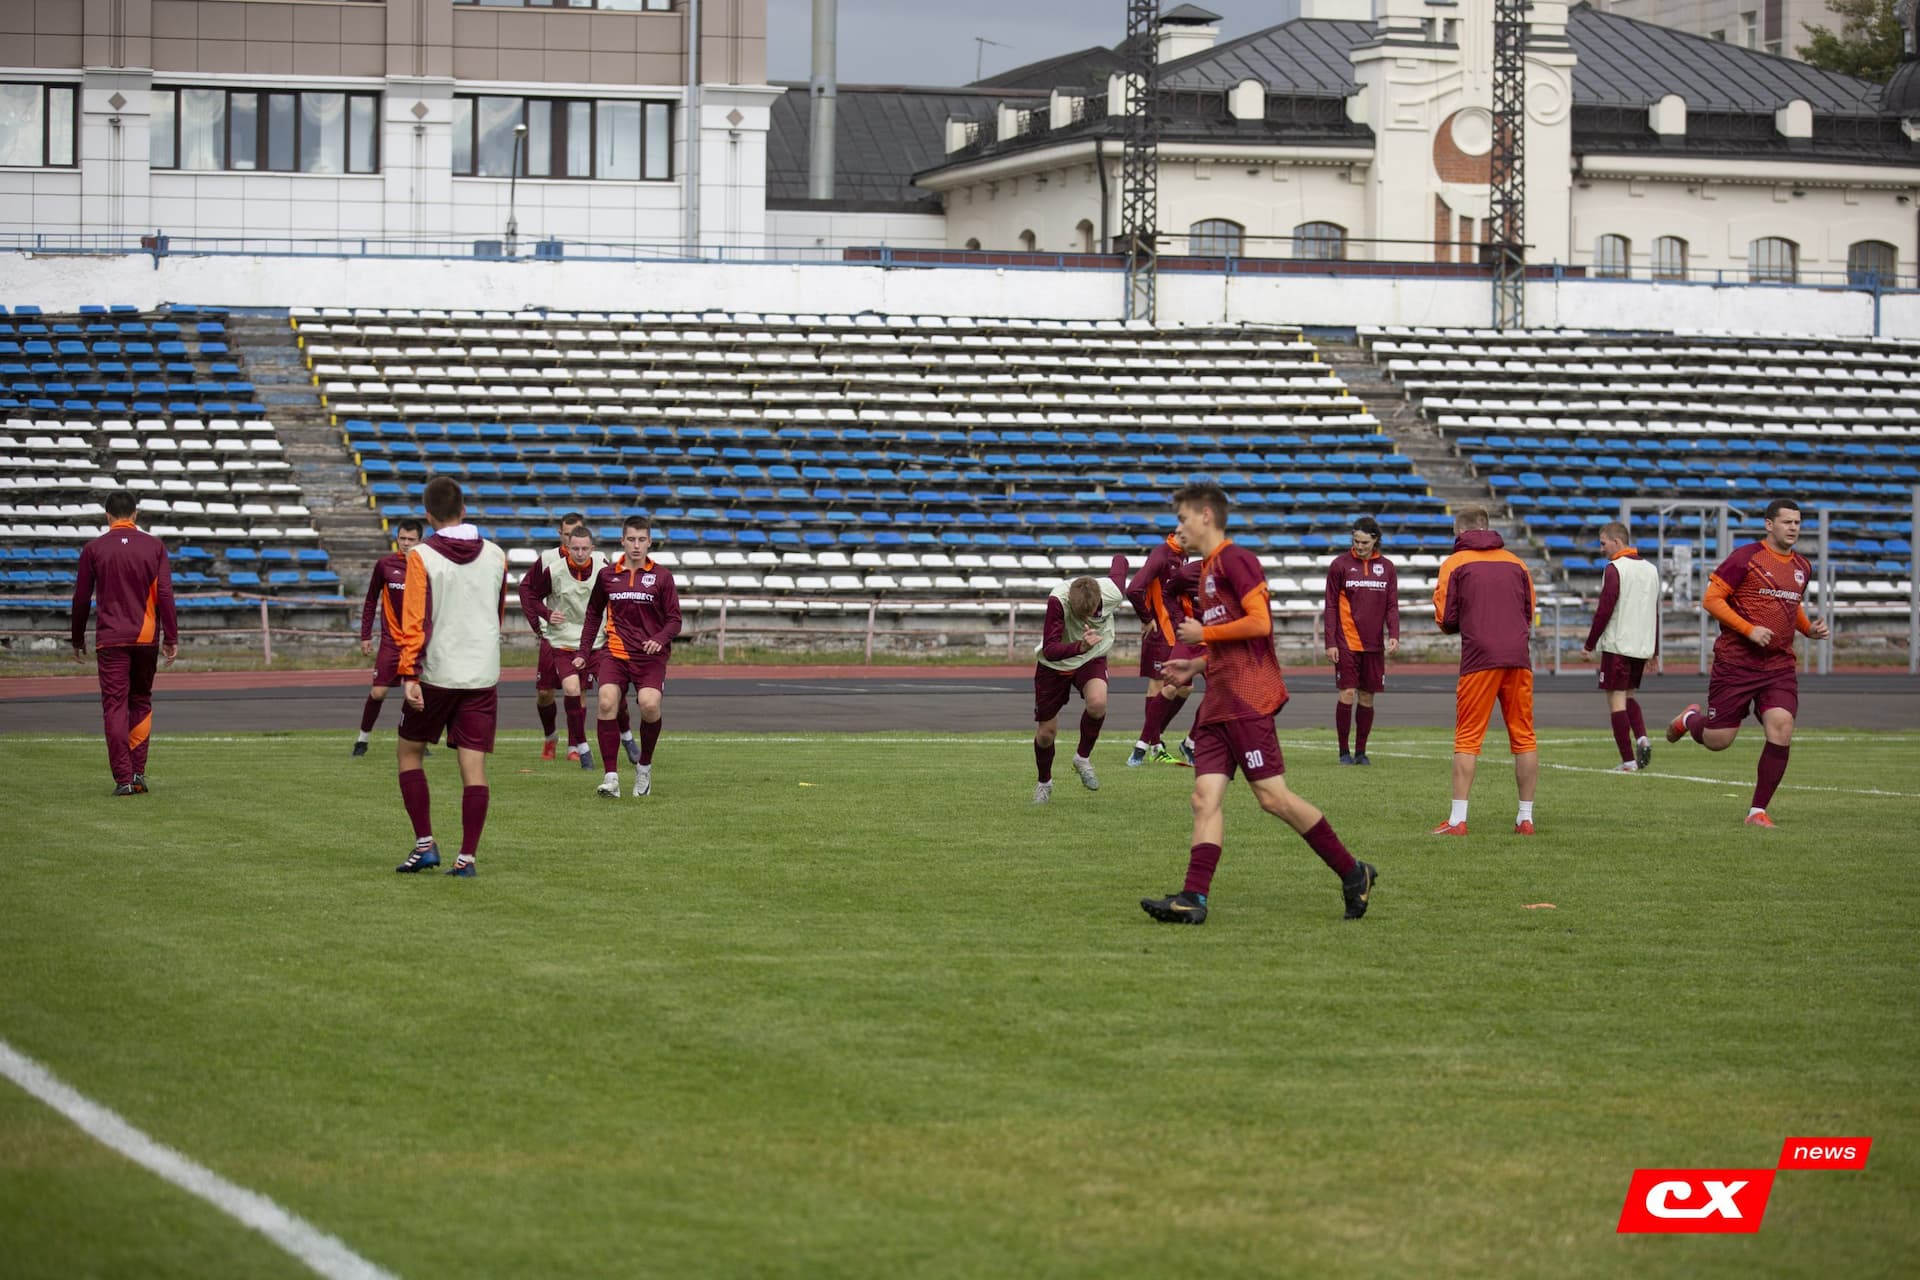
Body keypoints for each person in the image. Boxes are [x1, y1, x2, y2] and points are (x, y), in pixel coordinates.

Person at [1140, 482, 1378, 925]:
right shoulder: (1210, 569)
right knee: (1203, 797)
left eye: (1183, 518)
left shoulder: (1235, 560)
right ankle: (1194, 898)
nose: (1178, 527)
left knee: (1273, 798)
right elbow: (1231, 642)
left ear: (1206, 516)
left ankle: (1353, 872)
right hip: (1217, 702)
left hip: (1247, 698)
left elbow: (1260, 622)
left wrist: (1203, 636)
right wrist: (1196, 666)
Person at [1664, 498, 1829, 827]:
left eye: (1797, 522)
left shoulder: (1802, 566)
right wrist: (1749, 629)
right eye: (1787, 522)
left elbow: (1789, 604)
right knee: (1718, 740)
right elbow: (1711, 599)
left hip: (1779, 665)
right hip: (1736, 663)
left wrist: (1807, 628)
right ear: (1770, 525)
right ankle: (1690, 719)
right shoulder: (1746, 558)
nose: (1793, 527)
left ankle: (1757, 811)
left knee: (1781, 727)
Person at [392, 477, 509, 877]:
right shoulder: (496, 554)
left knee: (409, 752)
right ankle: (467, 858)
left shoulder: (421, 556)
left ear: (428, 515)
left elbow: (415, 619)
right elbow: (496, 612)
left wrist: (408, 671)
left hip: (436, 671)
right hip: (482, 671)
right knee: (473, 767)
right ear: (464, 509)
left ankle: (425, 843)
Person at [1430, 505, 1539, 836]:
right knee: (1524, 736)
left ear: (1461, 531)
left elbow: (1446, 618)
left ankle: (1457, 819)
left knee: (1468, 736)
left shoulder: (1455, 563)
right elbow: (1529, 610)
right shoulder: (1517, 563)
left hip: (1480, 657)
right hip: (1518, 656)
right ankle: (1525, 818)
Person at [70, 490, 178, 795]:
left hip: (111, 639)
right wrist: (171, 636)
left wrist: (77, 637)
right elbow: (165, 595)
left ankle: (122, 779)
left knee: (115, 705)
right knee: (141, 700)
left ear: (107, 516)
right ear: (135, 515)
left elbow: (80, 599)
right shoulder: (155, 546)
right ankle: (138, 773)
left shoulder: (93, 549)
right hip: (146, 638)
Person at [517, 514, 635, 769]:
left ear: (590, 545)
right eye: (570, 537)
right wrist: (539, 621)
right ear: (563, 536)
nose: (577, 545)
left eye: (582, 542)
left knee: (581, 690)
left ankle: (576, 746)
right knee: (546, 692)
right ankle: (551, 737)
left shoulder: (600, 562)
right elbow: (527, 590)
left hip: (591, 638)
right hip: (556, 637)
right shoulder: (549, 561)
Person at [577, 516, 681, 799]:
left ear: (649, 542)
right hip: (616, 653)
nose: (636, 545)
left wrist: (658, 640)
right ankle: (611, 778)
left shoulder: (662, 577)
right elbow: (592, 614)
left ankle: (644, 767)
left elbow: (674, 621)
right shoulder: (607, 575)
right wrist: (584, 651)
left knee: (649, 706)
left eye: (642, 540)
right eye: (631, 539)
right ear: (622, 541)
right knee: (607, 702)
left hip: (650, 658)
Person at [1032, 554, 1129, 803]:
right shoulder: (1057, 600)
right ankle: (1045, 783)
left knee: (1097, 704)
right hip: (1056, 664)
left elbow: (1121, 560)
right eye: (1079, 614)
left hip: (1092, 656)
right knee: (1046, 734)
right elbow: (1051, 649)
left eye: (1092, 614)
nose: (1087, 618)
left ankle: (1082, 758)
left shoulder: (1113, 592)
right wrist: (1079, 647)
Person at [1581, 521, 1661, 773]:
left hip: (1618, 644)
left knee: (1615, 701)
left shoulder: (1615, 568)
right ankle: (1642, 737)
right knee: (1629, 696)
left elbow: (1605, 609)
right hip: (1641, 644)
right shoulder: (1651, 569)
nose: (1602, 548)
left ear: (1617, 541)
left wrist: (1589, 644)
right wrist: (1655, 649)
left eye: (1603, 543)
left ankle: (1628, 761)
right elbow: (1654, 612)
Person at [1323, 515, 1400, 765]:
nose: (1359, 546)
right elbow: (1331, 606)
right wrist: (1330, 641)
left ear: (1375, 540)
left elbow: (1392, 605)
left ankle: (1361, 752)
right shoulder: (1339, 565)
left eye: (1364, 542)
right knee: (1346, 693)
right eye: (1356, 541)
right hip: (1346, 641)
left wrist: (1394, 634)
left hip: (1374, 644)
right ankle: (1343, 752)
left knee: (1367, 697)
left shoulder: (1387, 568)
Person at [1124, 526, 1197, 767]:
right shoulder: (1161, 554)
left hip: (1177, 631)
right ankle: (1152, 744)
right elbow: (1134, 588)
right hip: (1161, 632)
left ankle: (1156, 740)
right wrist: (1147, 619)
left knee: (1184, 688)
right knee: (1159, 686)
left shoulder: (1181, 555)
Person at [352, 519, 422, 756]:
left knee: (417, 692)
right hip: (391, 642)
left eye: (411, 539)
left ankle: (416, 740)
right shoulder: (384, 565)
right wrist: (365, 635)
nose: (406, 543)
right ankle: (362, 740)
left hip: (418, 642)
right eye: (402, 538)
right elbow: (371, 600)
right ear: (397, 538)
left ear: (420, 541)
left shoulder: (427, 566)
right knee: (378, 692)